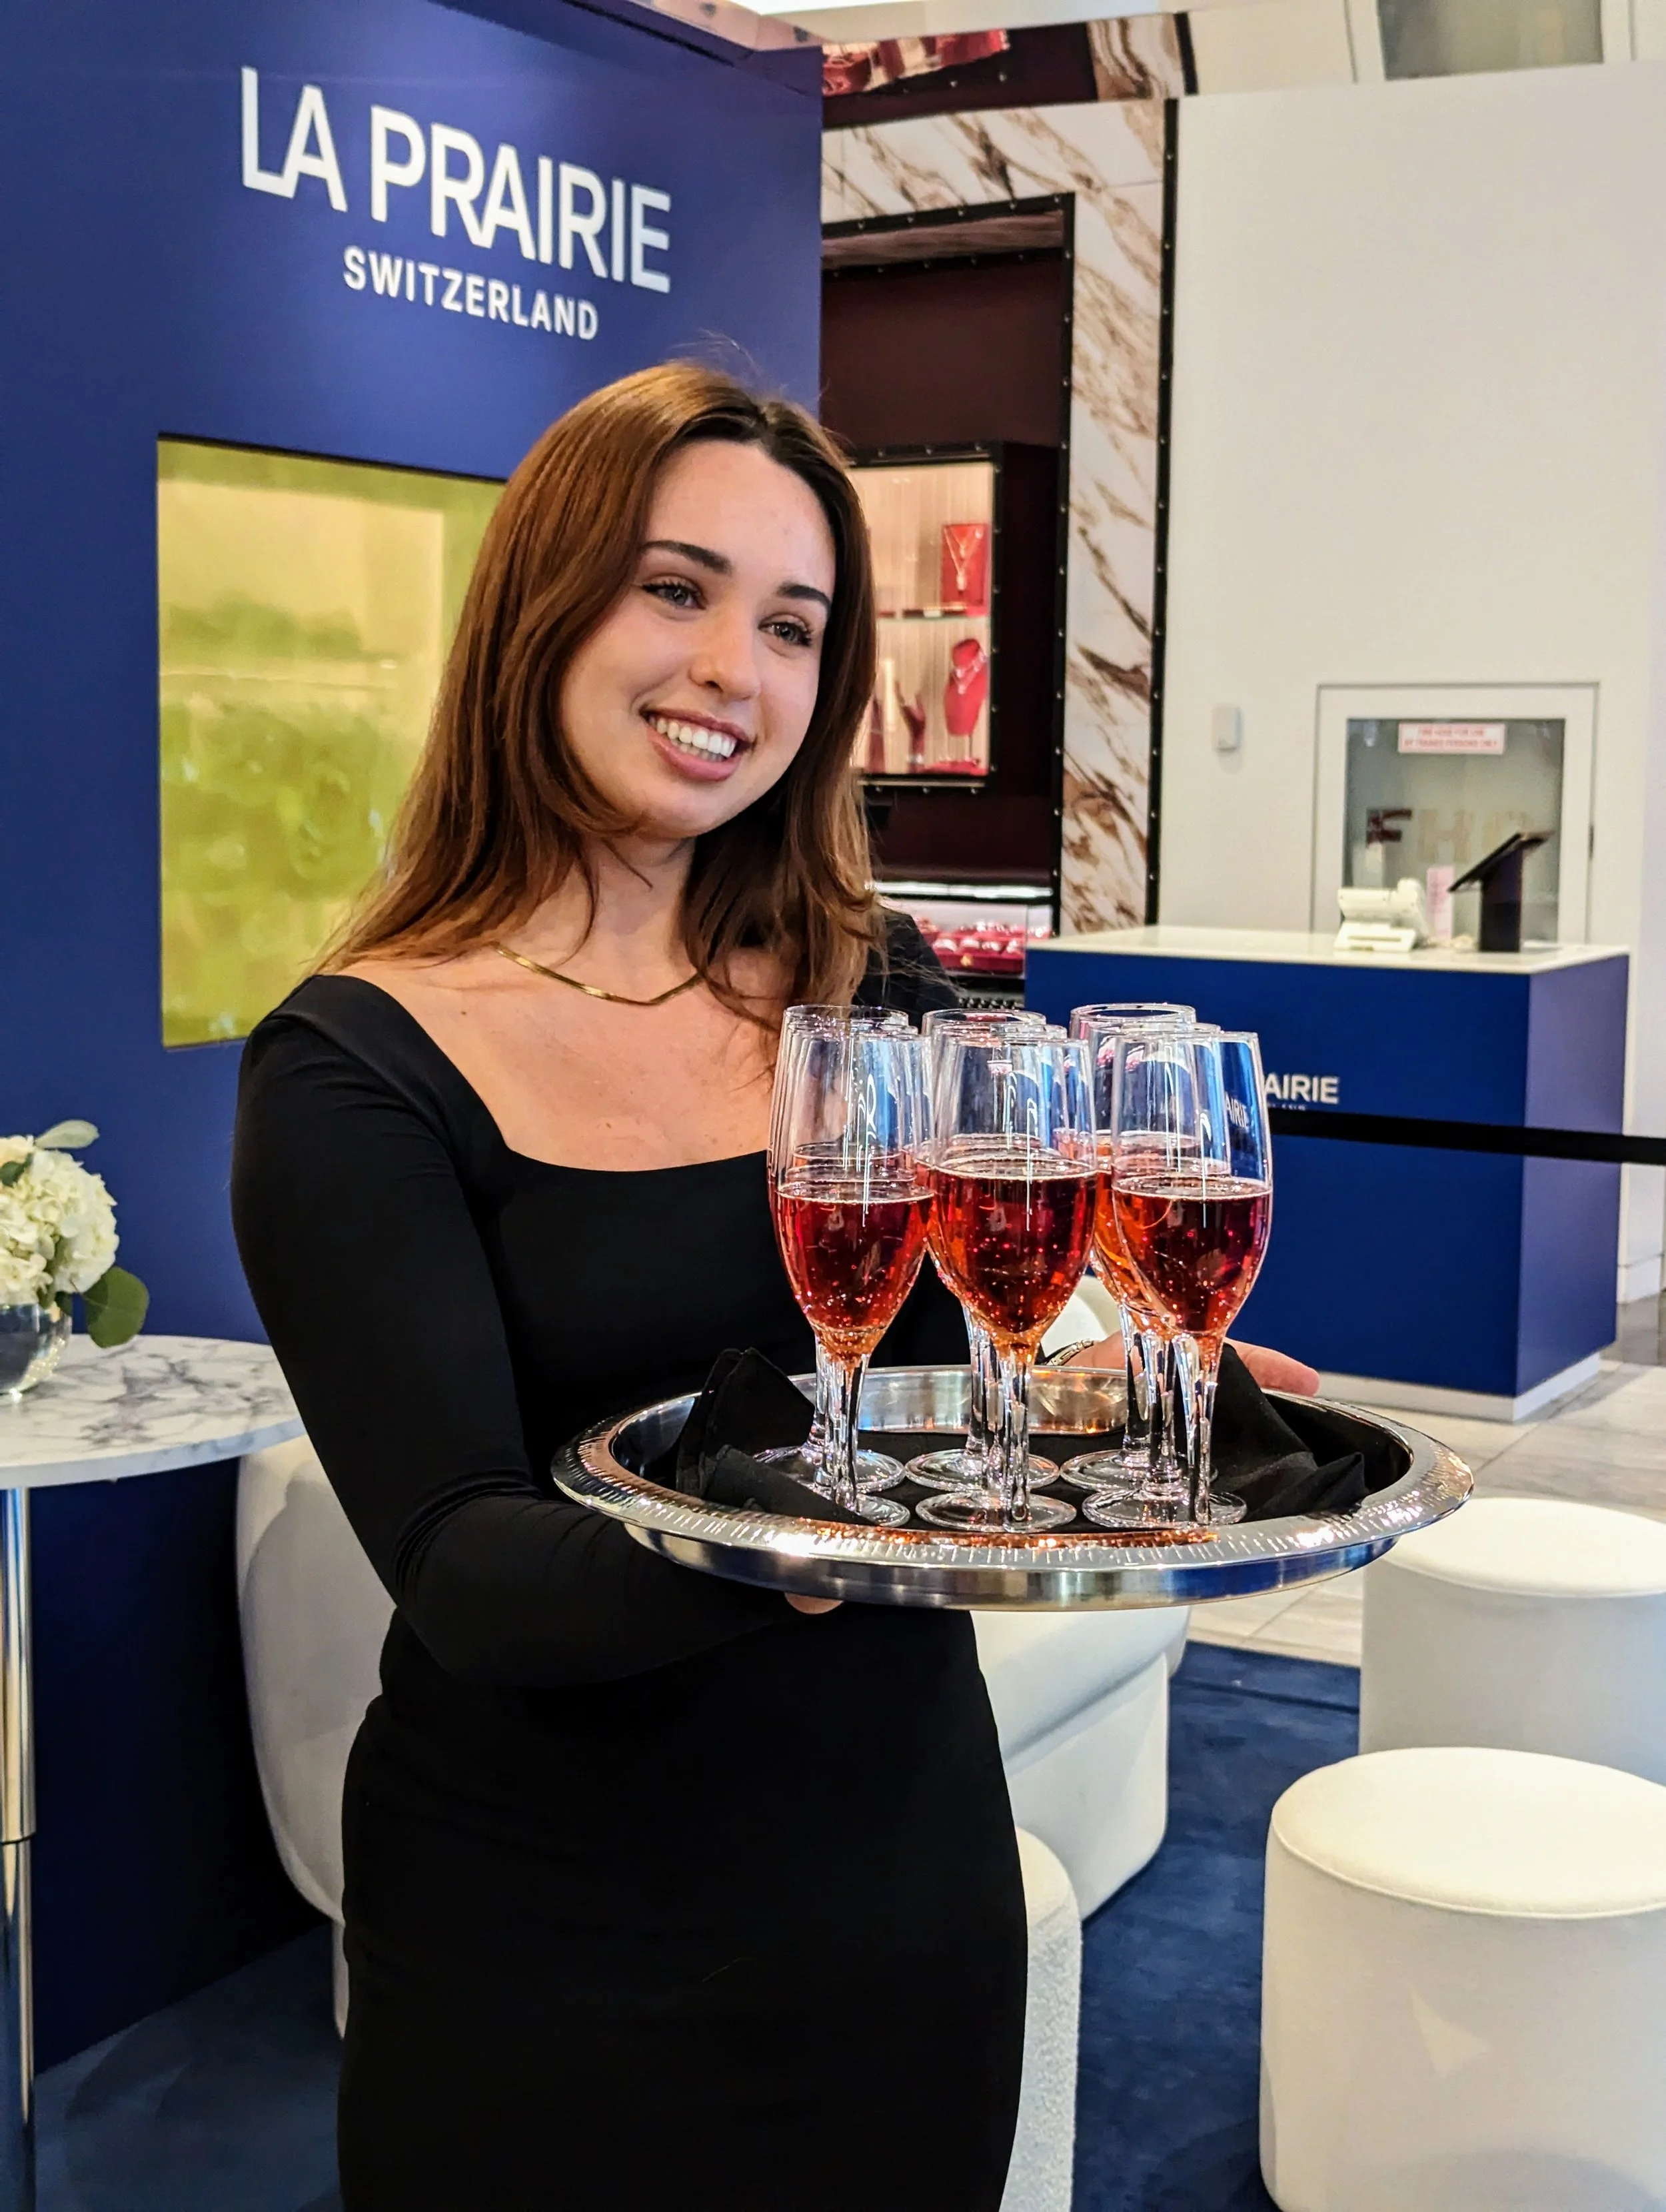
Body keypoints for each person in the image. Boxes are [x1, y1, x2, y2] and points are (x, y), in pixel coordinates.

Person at [233, 362, 1318, 2211]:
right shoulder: (354, 1065)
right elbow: (479, 1573)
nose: (734, 667)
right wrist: (845, 1516)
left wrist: (1096, 1384)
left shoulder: (865, 980)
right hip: (545, 1945)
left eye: (793, 623)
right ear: (538, 607)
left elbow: (942, 1365)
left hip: (894, 1879)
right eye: (673, 588)